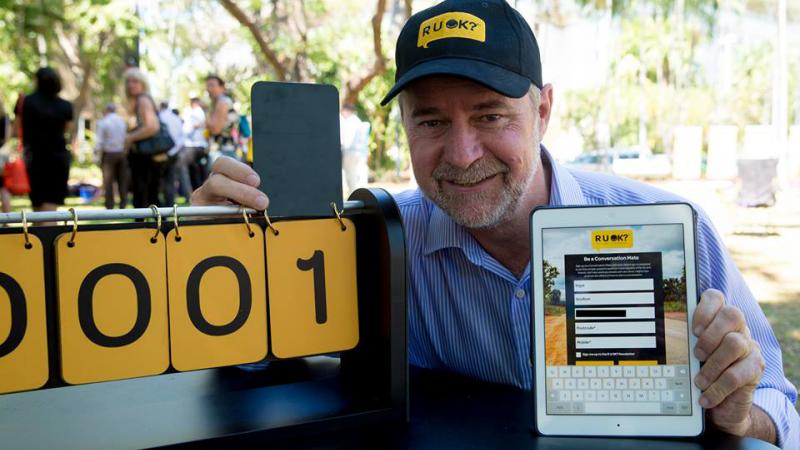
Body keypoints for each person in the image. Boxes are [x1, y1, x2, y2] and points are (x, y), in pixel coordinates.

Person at [190, 1, 798, 447]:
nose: (461, 154)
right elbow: (264, 359)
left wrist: (739, 415)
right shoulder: (380, 240)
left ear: (544, 110)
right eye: (430, 123)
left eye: (490, 115)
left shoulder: (676, 231)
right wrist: (224, 263)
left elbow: (781, 405)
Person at [20, 67, 73, 217]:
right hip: (58, 158)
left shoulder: (28, 102)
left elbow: (19, 127)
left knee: (38, 207)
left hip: (35, 158)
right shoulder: (65, 106)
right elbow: (66, 130)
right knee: (50, 209)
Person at [123, 68, 166, 208]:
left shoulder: (143, 99)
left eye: (135, 81)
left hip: (147, 157)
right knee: (150, 196)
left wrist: (130, 137)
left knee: (145, 196)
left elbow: (152, 127)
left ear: (143, 83)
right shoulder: (138, 101)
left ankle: (144, 227)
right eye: (128, 82)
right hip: (145, 157)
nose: (131, 85)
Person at [95, 103, 129, 209]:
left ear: (106, 110)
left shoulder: (103, 122)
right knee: (122, 180)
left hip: (109, 154)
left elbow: (99, 141)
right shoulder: (122, 121)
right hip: (121, 153)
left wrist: (96, 156)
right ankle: (123, 203)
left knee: (108, 181)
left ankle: (110, 205)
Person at [205, 75, 241, 163]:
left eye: (212, 85)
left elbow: (216, 129)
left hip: (222, 152)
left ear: (222, 88)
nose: (209, 89)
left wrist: (206, 117)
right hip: (225, 150)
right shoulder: (220, 102)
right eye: (207, 86)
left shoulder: (222, 102)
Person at [339, 104, 370, 194]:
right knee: (358, 176)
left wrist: (343, 145)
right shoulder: (357, 121)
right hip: (360, 152)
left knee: (351, 176)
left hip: (350, 152)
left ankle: (353, 195)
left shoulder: (349, 122)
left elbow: (348, 140)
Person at [158, 101, 184, 206]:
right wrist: (174, 150)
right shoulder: (176, 118)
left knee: (159, 181)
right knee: (170, 180)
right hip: (174, 152)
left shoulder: (159, 117)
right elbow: (182, 137)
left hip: (160, 153)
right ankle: (169, 205)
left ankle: (160, 206)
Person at [181, 97, 209, 191]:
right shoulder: (202, 113)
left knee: (184, 167)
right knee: (198, 170)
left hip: (193, 145)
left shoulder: (194, 112)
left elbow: (188, 129)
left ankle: (189, 192)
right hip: (201, 145)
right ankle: (199, 191)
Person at [0, 99, 11, 214]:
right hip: (1, 156)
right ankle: (7, 217)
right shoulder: (5, 116)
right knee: (3, 187)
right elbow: (7, 138)